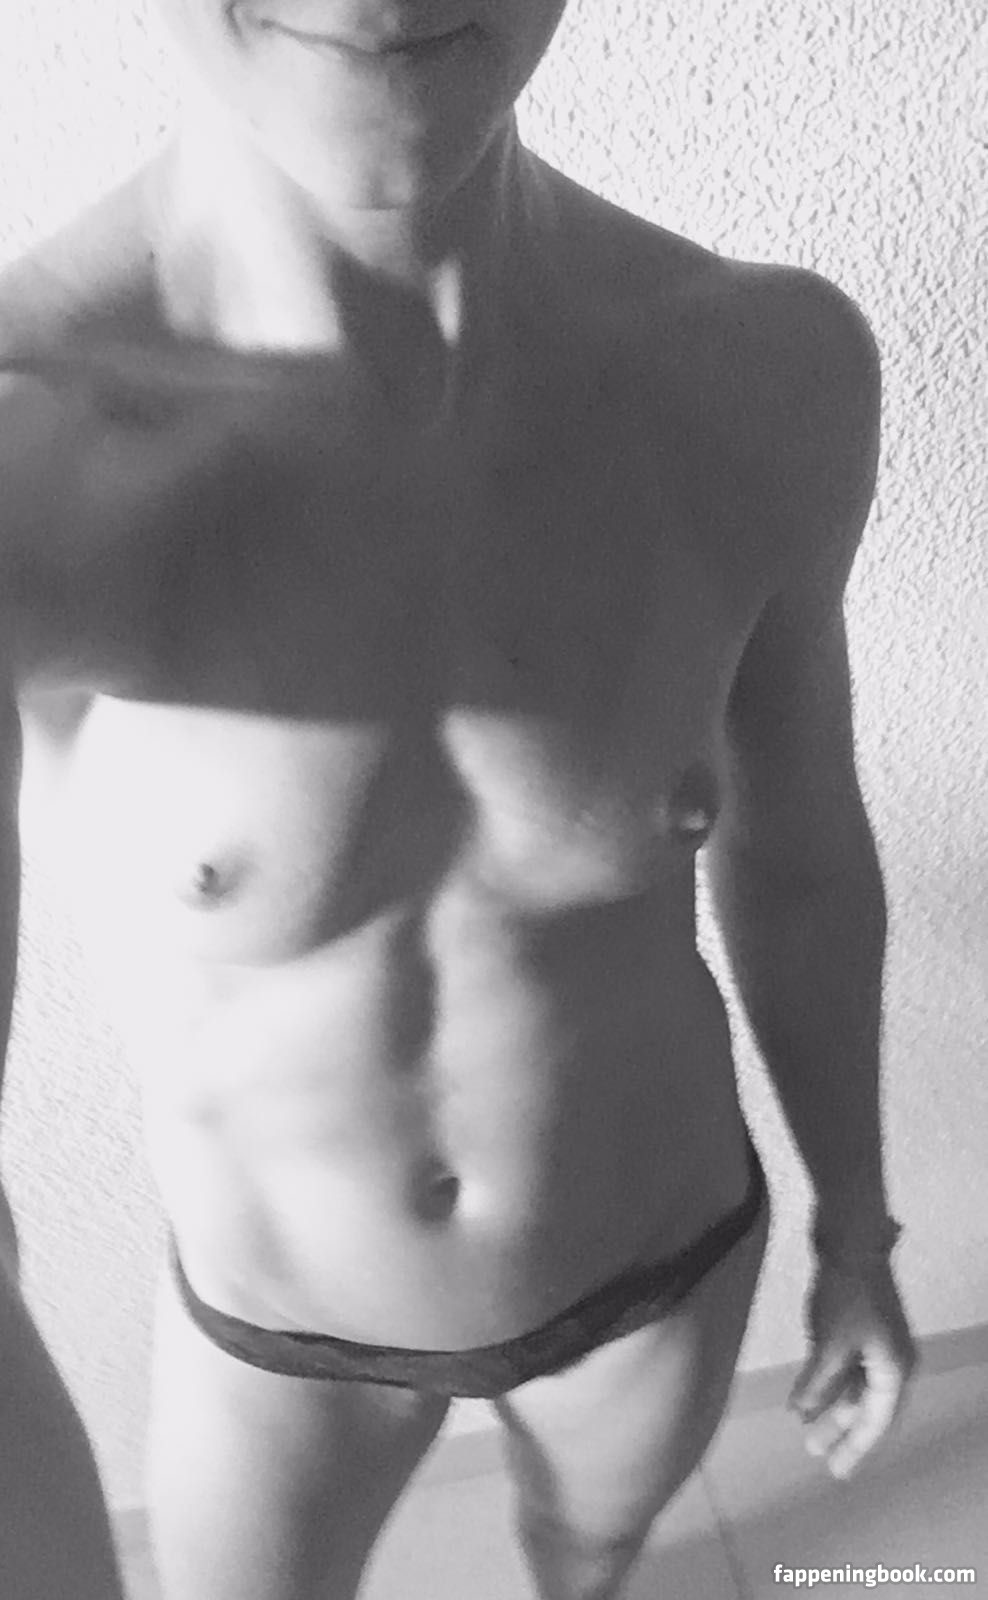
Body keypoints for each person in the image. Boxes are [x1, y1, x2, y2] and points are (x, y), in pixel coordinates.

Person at [0, 3, 917, 1598]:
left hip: (660, 1272)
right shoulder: (29, 456)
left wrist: (860, 1229)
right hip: (278, 1345)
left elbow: (804, 854)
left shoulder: (764, 370)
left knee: (586, 1564)